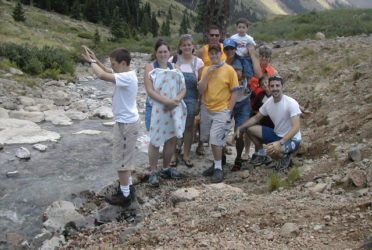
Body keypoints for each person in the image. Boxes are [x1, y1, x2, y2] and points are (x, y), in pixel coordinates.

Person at [81, 45, 139, 207]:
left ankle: (125, 195)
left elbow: (101, 75)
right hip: (125, 122)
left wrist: (91, 61)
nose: (112, 66)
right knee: (123, 158)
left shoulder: (127, 77)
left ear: (123, 63)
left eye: (114, 63)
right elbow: (106, 70)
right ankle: (127, 188)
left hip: (127, 124)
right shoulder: (126, 73)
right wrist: (97, 60)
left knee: (121, 160)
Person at [235, 75, 302, 171]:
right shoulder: (269, 102)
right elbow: (256, 118)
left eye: (277, 86)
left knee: (272, 150)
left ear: (282, 87)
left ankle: (285, 158)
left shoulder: (291, 103)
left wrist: (280, 142)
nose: (275, 89)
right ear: (269, 87)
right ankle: (262, 154)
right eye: (272, 86)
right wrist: (240, 127)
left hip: (292, 139)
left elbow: (296, 127)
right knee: (250, 129)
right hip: (276, 134)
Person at [144, 39, 187, 187]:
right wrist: (166, 102)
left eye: (165, 51)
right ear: (155, 53)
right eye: (160, 52)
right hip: (156, 107)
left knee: (171, 139)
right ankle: (153, 171)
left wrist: (175, 100)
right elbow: (150, 90)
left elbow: (183, 88)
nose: (163, 54)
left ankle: (166, 168)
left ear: (169, 53)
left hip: (173, 107)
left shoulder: (175, 67)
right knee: (155, 139)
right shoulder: (150, 67)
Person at [198, 43, 239, 183]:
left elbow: (235, 91)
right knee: (213, 140)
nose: (214, 55)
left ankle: (218, 169)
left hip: (222, 110)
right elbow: (201, 90)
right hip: (208, 109)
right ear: (209, 55)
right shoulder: (206, 70)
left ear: (221, 54)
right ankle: (218, 163)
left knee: (215, 139)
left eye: (217, 53)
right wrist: (207, 74)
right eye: (212, 53)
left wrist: (229, 110)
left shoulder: (229, 70)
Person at [223, 38, 262, 171]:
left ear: (235, 49)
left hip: (244, 101)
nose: (229, 51)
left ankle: (238, 158)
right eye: (227, 49)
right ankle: (221, 159)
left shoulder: (245, 61)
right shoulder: (223, 64)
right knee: (221, 130)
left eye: (232, 48)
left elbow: (259, 73)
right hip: (228, 100)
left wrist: (252, 53)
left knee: (239, 131)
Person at [169, 34, 204, 168]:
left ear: (193, 46)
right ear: (180, 47)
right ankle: (173, 154)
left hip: (191, 98)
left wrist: (199, 103)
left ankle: (186, 155)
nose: (187, 47)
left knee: (189, 128)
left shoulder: (199, 62)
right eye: (184, 45)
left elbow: (200, 86)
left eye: (189, 44)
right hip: (175, 99)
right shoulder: (173, 60)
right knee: (174, 127)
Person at [195, 25, 227, 156]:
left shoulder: (224, 48)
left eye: (216, 35)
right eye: (212, 35)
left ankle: (222, 145)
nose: (214, 37)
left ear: (220, 36)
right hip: (206, 84)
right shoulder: (203, 50)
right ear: (208, 35)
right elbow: (196, 65)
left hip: (221, 86)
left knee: (223, 116)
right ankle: (201, 143)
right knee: (203, 115)